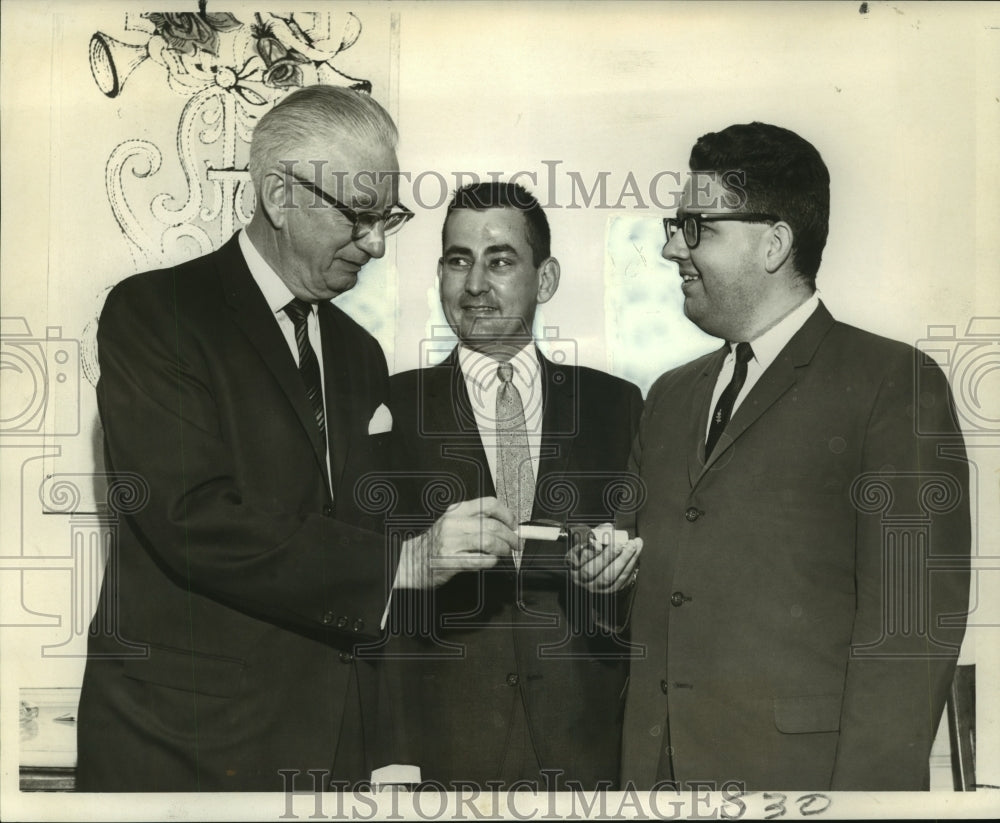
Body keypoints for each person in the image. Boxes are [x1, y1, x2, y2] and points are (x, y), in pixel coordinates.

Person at [76, 85, 517, 792]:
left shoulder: (358, 353)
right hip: (182, 756)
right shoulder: (157, 313)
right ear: (280, 195)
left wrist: (390, 750)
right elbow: (194, 518)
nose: (376, 243)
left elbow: (367, 544)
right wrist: (402, 561)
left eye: (388, 217)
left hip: (331, 762)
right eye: (359, 215)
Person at [619, 122, 971, 791]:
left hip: (803, 791)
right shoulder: (668, 396)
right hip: (654, 786)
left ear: (775, 242)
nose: (671, 247)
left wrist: (865, 810)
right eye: (674, 224)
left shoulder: (894, 384)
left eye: (698, 226)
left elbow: (909, 634)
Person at [383, 181, 643, 790]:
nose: (475, 285)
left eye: (500, 261)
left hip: (587, 742)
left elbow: (653, 580)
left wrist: (617, 579)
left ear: (544, 280)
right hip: (440, 748)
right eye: (457, 260)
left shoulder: (616, 405)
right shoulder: (386, 407)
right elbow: (360, 580)